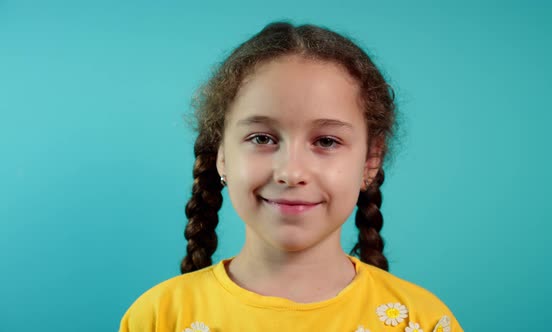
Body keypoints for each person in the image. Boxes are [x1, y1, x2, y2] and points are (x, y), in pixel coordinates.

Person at [119, 21, 463, 332]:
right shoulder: (157, 318)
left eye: (327, 141)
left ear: (370, 160)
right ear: (221, 155)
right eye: (262, 139)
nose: (291, 172)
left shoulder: (423, 320)